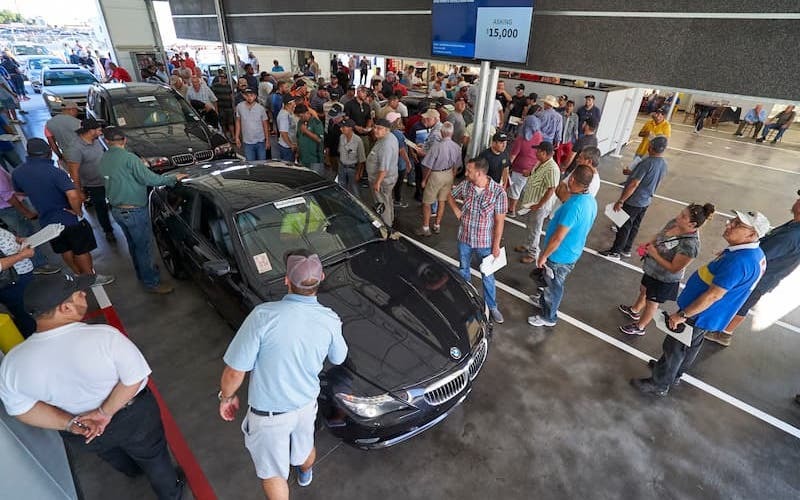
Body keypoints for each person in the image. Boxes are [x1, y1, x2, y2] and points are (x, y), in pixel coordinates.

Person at [0, 272, 184, 499]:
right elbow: (133, 379)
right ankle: (171, 493)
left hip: (83, 430)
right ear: (64, 309)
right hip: (133, 417)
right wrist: (103, 413)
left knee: (110, 452)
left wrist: (69, 424)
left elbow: (22, 410)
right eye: (78, 293)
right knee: (154, 456)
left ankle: (133, 471)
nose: (84, 295)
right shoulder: (104, 337)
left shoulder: (13, 363)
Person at [219, 251, 347, 499]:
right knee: (305, 447)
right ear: (321, 278)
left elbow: (235, 371)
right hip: (305, 405)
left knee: (273, 474)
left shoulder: (263, 316)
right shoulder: (330, 319)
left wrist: (227, 397)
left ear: (286, 280)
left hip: (270, 416)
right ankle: (305, 474)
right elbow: (338, 358)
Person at [631, 210, 769, 396]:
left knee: (675, 347)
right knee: (691, 345)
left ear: (752, 234)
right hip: (709, 314)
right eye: (733, 221)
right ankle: (675, 373)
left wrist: (682, 315)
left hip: (699, 312)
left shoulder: (740, 261)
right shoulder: (753, 253)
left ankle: (659, 384)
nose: (729, 225)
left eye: (737, 225)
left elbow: (713, 295)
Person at [12, 139, 113, 286]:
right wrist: (77, 212)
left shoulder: (18, 172)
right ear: (48, 153)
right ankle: (90, 278)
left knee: (65, 248)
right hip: (68, 219)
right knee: (81, 249)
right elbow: (73, 195)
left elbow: (20, 193)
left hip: (47, 221)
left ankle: (77, 274)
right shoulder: (55, 172)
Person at [705, 191, 800, 346]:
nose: (797, 200)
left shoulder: (792, 236)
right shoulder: (794, 224)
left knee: (742, 304)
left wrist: (735, 253)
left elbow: (761, 254)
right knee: (741, 302)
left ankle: (724, 333)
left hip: (762, 278)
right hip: (763, 275)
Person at [99, 127, 187, 294]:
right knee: (144, 247)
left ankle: (142, 274)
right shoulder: (129, 158)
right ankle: (151, 282)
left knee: (133, 245)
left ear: (108, 141)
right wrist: (172, 179)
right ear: (124, 140)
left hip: (117, 210)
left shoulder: (104, 157)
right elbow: (150, 179)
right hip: (134, 212)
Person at [618, 203, 715, 336]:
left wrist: (654, 254)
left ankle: (640, 326)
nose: (678, 216)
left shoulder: (690, 246)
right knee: (644, 289)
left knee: (652, 303)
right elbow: (660, 235)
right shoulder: (675, 223)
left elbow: (674, 268)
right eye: (681, 213)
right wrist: (648, 244)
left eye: (683, 216)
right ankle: (635, 310)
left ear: (692, 224)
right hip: (652, 270)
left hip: (664, 278)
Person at [528, 165, 597, 328]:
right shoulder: (590, 201)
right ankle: (543, 301)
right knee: (549, 281)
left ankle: (548, 317)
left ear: (572, 179)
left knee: (554, 286)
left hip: (559, 255)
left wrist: (544, 255)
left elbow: (558, 237)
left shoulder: (574, 206)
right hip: (572, 251)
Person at [447, 158, 507, 324]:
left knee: (487, 275)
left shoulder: (498, 192)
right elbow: (450, 196)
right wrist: (457, 211)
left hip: (485, 243)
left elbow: (500, 221)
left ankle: (492, 306)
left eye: (469, 171)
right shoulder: (466, 185)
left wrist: (495, 245)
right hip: (464, 238)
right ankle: (466, 301)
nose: (466, 174)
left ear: (479, 173)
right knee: (463, 270)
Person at [601, 135, 669, 260]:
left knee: (624, 226)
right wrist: (632, 173)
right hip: (646, 200)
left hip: (634, 200)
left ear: (651, 147)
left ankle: (615, 252)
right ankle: (626, 249)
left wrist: (621, 200)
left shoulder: (647, 163)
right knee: (634, 226)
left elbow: (634, 184)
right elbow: (651, 179)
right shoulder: (663, 164)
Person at [65, 118, 116, 242]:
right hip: (93, 184)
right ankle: (108, 230)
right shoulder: (75, 148)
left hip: (108, 179)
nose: (101, 133)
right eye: (99, 130)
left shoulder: (96, 140)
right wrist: (79, 191)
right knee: (100, 207)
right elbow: (74, 173)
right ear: (90, 131)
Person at [514, 141, 561, 264]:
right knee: (529, 225)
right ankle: (527, 245)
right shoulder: (540, 162)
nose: (536, 152)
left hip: (539, 205)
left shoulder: (552, 169)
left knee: (535, 229)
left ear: (544, 153)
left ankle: (533, 253)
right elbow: (535, 174)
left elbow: (552, 189)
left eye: (538, 151)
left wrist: (539, 205)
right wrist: (529, 173)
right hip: (531, 202)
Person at [415, 122, 461, 236]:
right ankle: (437, 225)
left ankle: (425, 227)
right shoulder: (456, 147)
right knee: (442, 201)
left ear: (441, 132)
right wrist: (452, 178)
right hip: (449, 174)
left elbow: (429, 165)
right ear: (452, 133)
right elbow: (457, 166)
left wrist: (424, 180)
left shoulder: (437, 146)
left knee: (427, 202)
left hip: (436, 175)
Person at [0, 227, 36, 336]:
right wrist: (22, 255)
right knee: (27, 315)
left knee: (33, 308)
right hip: (12, 282)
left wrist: (17, 240)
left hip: (21, 275)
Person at [365, 118, 399, 227]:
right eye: (375, 127)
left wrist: (378, 182)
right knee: (387, 199)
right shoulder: (387, 137)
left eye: (379, 128)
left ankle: (386, 226)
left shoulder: (386, 145)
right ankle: (391, 219)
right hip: (388, 178)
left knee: (381, 203)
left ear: (387, 130)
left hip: (382, 180)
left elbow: (384, 167)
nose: (375, 130)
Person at [508, 115, 543, 215]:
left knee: (515, 189)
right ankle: (526, 208)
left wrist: (506, 167)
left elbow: (513, 156)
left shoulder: (521, 138)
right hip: (533, 167)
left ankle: (511, 209)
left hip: (520, 169)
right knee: (525, 188)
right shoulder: (539, 135)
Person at [235, 88, 271, 161]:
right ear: (244, 96)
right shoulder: (239, 107)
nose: (249, 97)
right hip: (247, 142)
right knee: (251, 164)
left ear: (255, 96)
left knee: (262, 164)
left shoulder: (261, 109)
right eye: (247, 95)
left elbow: (265, 125)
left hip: (260, 141)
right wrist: (237, 137)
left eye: (251, 95)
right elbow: (238, 122)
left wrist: (267, 140)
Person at [294, 104, 325, 176]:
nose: (300, 118)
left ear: (307, 113)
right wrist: (298, 152)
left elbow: (319, 139)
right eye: (298, 116)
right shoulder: (300, 122)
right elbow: (298, 137)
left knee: (315, 179)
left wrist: (306, 131)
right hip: (303, 158)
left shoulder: (316, 123)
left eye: (301, 116)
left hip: (315, 159)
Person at [337, 119, 365, 196]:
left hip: (352, 168)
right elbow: (340, 151)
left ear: (350, 128)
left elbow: (361, 159)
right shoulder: (341, 137)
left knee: (354, 190)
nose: (341, 129)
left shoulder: (358, 140)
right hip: (342, 167)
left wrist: (359, 173)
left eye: (343, 127)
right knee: (341, 188)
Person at [212, 73, 235, 139]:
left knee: (231, 122)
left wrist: (233, 106)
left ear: (226, 79)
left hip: (229, 107)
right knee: (223, 123)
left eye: (224, 78)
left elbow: (231, 96)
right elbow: (213, 97)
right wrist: (216, 109)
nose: (222, 79)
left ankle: (233, 136)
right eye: (221, 77)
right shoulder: (215, 86)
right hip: (220, 107)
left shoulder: (228, 86)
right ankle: (225, 136)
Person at [557, 100, 579, 167]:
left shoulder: (575, 117)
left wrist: (577, 137)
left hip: (568, 139)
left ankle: (564, 167)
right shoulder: (560, 115)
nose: (569, 107)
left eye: (571, 106)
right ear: (565, 105)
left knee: (569, 154)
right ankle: (558, 166)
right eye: (568, 105)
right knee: (558, 155)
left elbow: (575, 128)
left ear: (573, 107)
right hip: (560, 139)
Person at [276, 95, 298, 162]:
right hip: (286, 147)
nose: (295, 104)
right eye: (294, 102)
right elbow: (283, 133)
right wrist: (291, 145)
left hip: (289, 145)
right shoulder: (284, 116)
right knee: (289, 166)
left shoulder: (289, 113)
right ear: (289, 104)